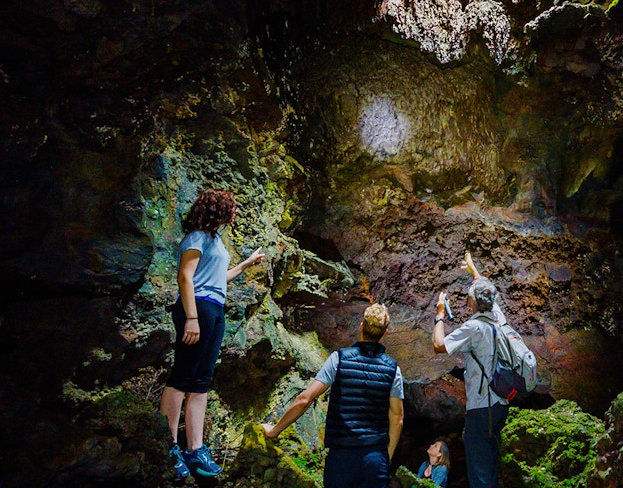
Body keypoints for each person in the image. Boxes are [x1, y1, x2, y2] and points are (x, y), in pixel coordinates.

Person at [159, 188, 265, 478]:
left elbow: (219, 278)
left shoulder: (215, 240)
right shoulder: (197, 237)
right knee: (182, 376)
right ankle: (167, 446)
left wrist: (246, 264)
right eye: (232, 206)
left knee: (202, 381)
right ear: (219, 209)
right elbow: (185, 277)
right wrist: (192, 317)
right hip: (198, 307)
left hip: (215, 308)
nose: (236, 211)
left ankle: (195, 450)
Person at [263, 303, 405, 488]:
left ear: (361, 326)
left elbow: (305, 399)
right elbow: (397, 418)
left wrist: (274, 430)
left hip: (341, 455)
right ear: (385, 333)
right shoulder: (393, 370)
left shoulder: (339, 359)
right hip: (375, 456)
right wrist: (387, 456)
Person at [432, 251, 508, 488]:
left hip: (482, 407)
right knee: (491, 462)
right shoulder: (497, 316)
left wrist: (439, 315)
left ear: (472, 302)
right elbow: (486, 290)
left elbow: (439, 345)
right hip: (501, 404)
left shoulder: (474, 327)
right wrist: (473, 270)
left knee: (479, 471)